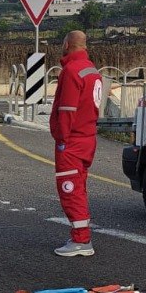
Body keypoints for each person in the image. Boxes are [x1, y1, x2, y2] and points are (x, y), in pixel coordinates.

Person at [51, 30, 103, 256]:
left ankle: (81, 240)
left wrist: (61, 139)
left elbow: (67, 109)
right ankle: (81, 236)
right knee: (79, 187)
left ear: (67, 44)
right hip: (88, 138)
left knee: (70, 189)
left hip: (72, 141)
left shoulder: (71, 71)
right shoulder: (91, 70)